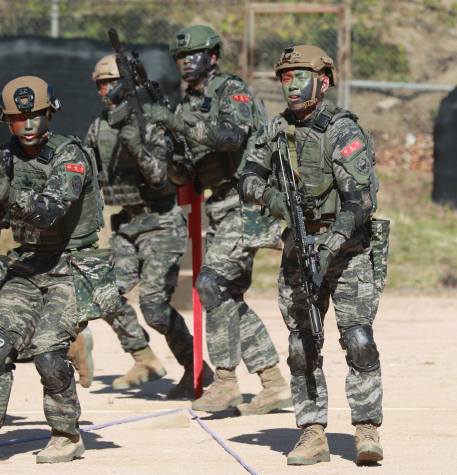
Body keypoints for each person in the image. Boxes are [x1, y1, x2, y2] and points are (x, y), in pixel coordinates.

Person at [0, 76, 120, 465]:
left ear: (49, 114)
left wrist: (6, 192)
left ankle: (66, 434)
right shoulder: (4, 157)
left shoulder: (70, 155)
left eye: (35, 116)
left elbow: (48, 212)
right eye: (16, 118)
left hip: (72, 265)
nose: (27, 125)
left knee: (47, 353)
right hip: (28, 263)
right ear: (5, 120)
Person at [239, 45, 384, 465]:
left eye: (298, 76)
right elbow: (247, 177)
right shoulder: (274, 130)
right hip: (298, 249)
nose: (290, 85)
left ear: (323, 81)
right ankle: (312, 432)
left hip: (347, 250)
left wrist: (332, 244)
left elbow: (361, 203)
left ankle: (366, 429)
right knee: (302, 344)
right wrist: (273, 199)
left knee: (358, 340)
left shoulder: (342, 131)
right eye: (284, 77)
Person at [149, 25, 290, 414]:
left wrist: (179, 125)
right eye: (180, 57)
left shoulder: (231, 90)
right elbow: (184, 178)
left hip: (250, 199)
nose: (186, 63)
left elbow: (232, 135)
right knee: (226, 295)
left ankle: (225, 381)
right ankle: (274, 383)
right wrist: (170, 149)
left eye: (194, 55)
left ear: (213, 56)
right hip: (222, 204)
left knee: (210, 284)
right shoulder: (184, 106)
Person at [85, 54, 212, 397]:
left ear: (126, 87)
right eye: (100, 84)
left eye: (111, 83)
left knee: (155, 309)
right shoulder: (98, 127)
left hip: (161, 223)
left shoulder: (150, 124)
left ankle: (196, 369)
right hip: (126, 224)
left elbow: (160, 178)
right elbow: (87, 177)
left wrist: (136, 143)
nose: (104, 91)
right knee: (104, 295)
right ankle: (143, 356)